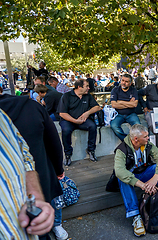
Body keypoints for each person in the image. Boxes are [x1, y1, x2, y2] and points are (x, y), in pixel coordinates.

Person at [0, 94, 67, 240]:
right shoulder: (31, 106)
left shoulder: (3, 118)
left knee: (40, 221)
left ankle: (55, 225)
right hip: (42, 173)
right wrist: (58, 170)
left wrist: (34, 194)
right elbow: (54, 142)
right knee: (42, 222)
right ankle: (56, 225)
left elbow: (24, 153)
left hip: (34, 182)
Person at [114, 124, 158, 237]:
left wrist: (155, 178)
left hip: (144, 173)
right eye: (146, 136)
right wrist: (142, 185)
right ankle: (135, 216)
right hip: (133, 177)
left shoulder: (147, 145)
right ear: (136, 139)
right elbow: (119, 171)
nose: (148, 138)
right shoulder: (121, 149)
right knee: (122, 178)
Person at [58, 79, 101, 165]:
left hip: (83, 120)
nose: (88, 88)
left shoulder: (87, 96)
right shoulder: (67, 96)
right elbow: (62, 113)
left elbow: (97, 107)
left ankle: (91, 150)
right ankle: (68, 154)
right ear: (79, 87)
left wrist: (87, 113)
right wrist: (75, 121)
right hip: (69, 120)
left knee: (92, 126)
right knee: (66, 130)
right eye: (86, 86)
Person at [110, 73, 141, 141]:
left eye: (126, 82)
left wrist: (120, 102)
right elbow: (114, 105)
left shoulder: (133, 90)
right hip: (118, 114)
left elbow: (134, 105)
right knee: (114, 125)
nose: (124, 83)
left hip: (131, 114)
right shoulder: (115, 90)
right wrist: (129, 103)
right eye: (122, 80)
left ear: (130, 83)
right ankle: (127, 141)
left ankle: (136, 141)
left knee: (138, 126)